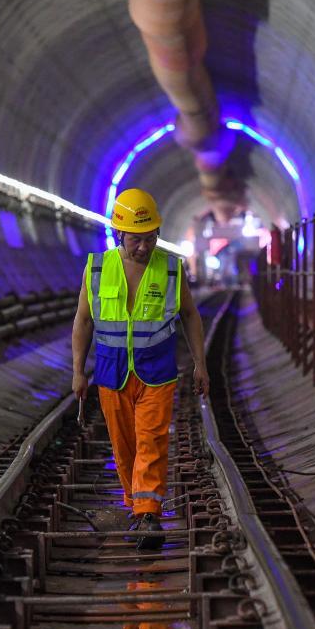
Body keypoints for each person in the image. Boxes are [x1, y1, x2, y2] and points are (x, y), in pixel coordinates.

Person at [71, 188, 208, 550]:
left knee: (152, 441)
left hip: (157, 372)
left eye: (149, 239)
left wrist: (200, 364)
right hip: (111, 375)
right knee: (124, 447)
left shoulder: (172, 268)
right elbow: (83, 322)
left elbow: (190, 315)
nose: (144, 248)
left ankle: (148, 515)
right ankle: (137, 508)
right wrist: (77, 371)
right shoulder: (98, 268)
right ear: (120, 235)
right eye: (136, 240)